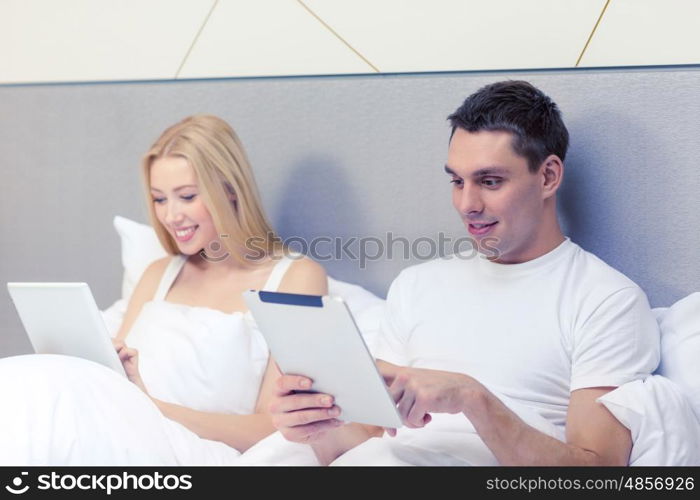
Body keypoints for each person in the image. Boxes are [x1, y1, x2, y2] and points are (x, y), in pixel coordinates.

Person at [267, 81, 660, 466]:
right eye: (457, 181)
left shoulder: (605, 300)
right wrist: (314, 425)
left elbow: (597, 475)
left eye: (490, 182)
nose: (467, 204)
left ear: (548, 177)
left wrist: (473, 398)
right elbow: (370, 438)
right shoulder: (417, 285)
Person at [0, 114, 327, 465]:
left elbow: (274, 429)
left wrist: (151, 409)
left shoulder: (295, 277)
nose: (171, 216)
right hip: (121, 425)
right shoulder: (159, 274)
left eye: (186, 196)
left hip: (193, 449)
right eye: (159, 199)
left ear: (231, 190)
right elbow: (117, 381)